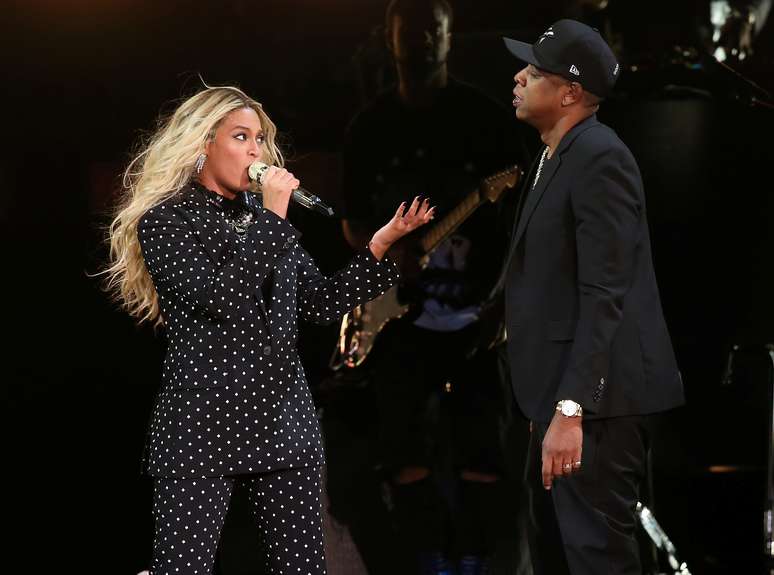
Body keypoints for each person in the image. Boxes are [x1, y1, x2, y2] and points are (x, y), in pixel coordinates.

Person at [102, 85, 434, 575]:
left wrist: (379, 246)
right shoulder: (166, 223)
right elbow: (223, 300)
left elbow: (321, 303)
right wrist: (276, 217)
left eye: (259, 137)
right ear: (202, 144)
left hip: (282, 420)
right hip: (204, 423)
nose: (257, 149)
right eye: (241, 136)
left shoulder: (260, 219)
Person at [337, 1, 531, 573]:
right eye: (410, 31)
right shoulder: (370, 127)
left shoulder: (485, 120)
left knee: (482, 452)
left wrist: (506, 298)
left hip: (477, 312)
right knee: (402, 452)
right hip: (399, 316)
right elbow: (350, 222)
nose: (421, 41)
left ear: (449, 37)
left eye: (433, 30)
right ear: (389, 39)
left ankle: (473, 561)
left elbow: (526, 217)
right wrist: (387, 251)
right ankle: (428, 563)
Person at [500, 19, 686, 575]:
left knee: (597, 560)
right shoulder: (557, 153)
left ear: (569, 92)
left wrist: (571, 407)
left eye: (533, 73)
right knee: (558, 555)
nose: (517, 79)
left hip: (597, 412)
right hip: (561, 403)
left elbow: (606, 293)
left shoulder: (601, 157)